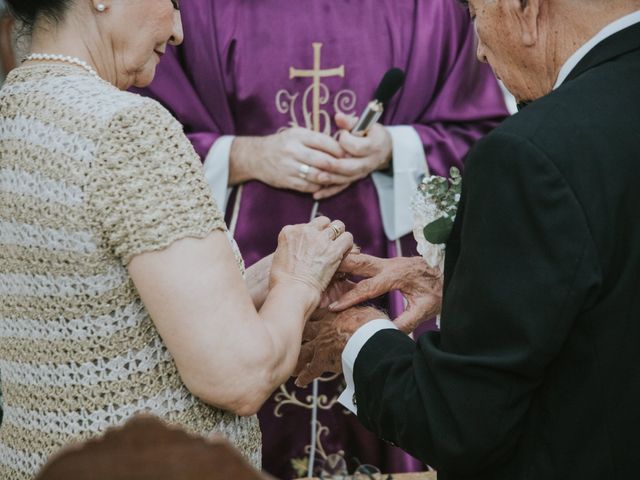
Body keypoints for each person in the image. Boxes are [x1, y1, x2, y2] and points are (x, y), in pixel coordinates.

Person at [137, 1, 508, 476]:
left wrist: (392, 147)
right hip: (247, 269)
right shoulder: (197, 9)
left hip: (380, 265)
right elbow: (138, 130)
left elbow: (486, 137)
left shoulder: (430, 8)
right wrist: (244, 155)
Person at [0, 0, 355, 478]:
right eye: (170, 0)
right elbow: (239, 375)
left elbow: (98, 303)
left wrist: (264, 280)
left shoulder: (14, 111)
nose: (181, 30)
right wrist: (300, 283)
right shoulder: (126, 127)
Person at [296, 0, 640, 478]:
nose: (477, 51)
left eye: (476, 13)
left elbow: (458, 422)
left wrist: (354, 331)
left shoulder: (532, 152)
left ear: (522, 6)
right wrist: (457, 281)